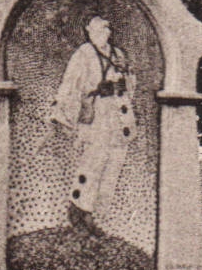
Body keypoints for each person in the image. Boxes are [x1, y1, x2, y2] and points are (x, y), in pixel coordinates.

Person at [48, 14, 138, 233]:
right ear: (89, 30)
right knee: (92, 164)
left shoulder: (118, 54)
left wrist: (124, 85)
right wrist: (61, 113)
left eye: (107, 28)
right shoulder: (84, 54)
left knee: (114, 165)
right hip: (97, 114)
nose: (103, 32)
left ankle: (98, 216)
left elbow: (131, 83)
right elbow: (70, 84)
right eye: (98, 28)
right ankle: (80, 209)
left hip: (118, 114)